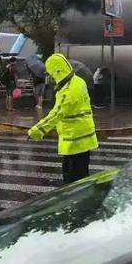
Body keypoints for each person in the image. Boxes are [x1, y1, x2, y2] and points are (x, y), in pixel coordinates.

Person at [27, 54, 98, 184]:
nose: (52, 77)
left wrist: (37, 130)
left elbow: (57, 113)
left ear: (58, 71)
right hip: (81, 137)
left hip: (75, 139)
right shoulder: (77, 81)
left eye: (52, 74)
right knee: (81, 175)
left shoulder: (69, 90)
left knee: (73, 180)